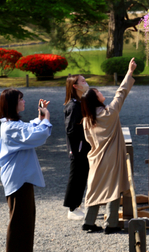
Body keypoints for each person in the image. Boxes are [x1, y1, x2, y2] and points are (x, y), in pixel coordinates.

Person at [80, 58, 137, 234]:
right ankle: (111, 224)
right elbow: (121, 93)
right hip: (111, 157)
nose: (100, 92)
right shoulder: (109, 113)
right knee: (113, 188)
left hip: (95, 157)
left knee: (94, 187)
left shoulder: (86, 120)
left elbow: (89, 140)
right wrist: (129, 72)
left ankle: (88, 221)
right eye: (97, 92)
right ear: (95, 99)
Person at [0, 89, 52, 252]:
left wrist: (40, 117)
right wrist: (47, 117)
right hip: (18, 179)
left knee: (24, 221)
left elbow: (29, 128)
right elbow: (38, 135)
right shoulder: (10, 127)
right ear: (13, 103)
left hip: (20, 178)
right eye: (21, 99)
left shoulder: (10, 124)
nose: (24, 101)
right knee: (20, 222)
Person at [63, 74, 91, 220]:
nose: (86, 83)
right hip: (78, 148)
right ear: (75, 86)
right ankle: (72, 208)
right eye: (83, 81)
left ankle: (77, 205)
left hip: (83, 147)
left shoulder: (80, 102)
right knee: (76, 178)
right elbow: (71, 130)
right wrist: (86, 129)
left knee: (82, 176)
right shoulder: (74, 105)